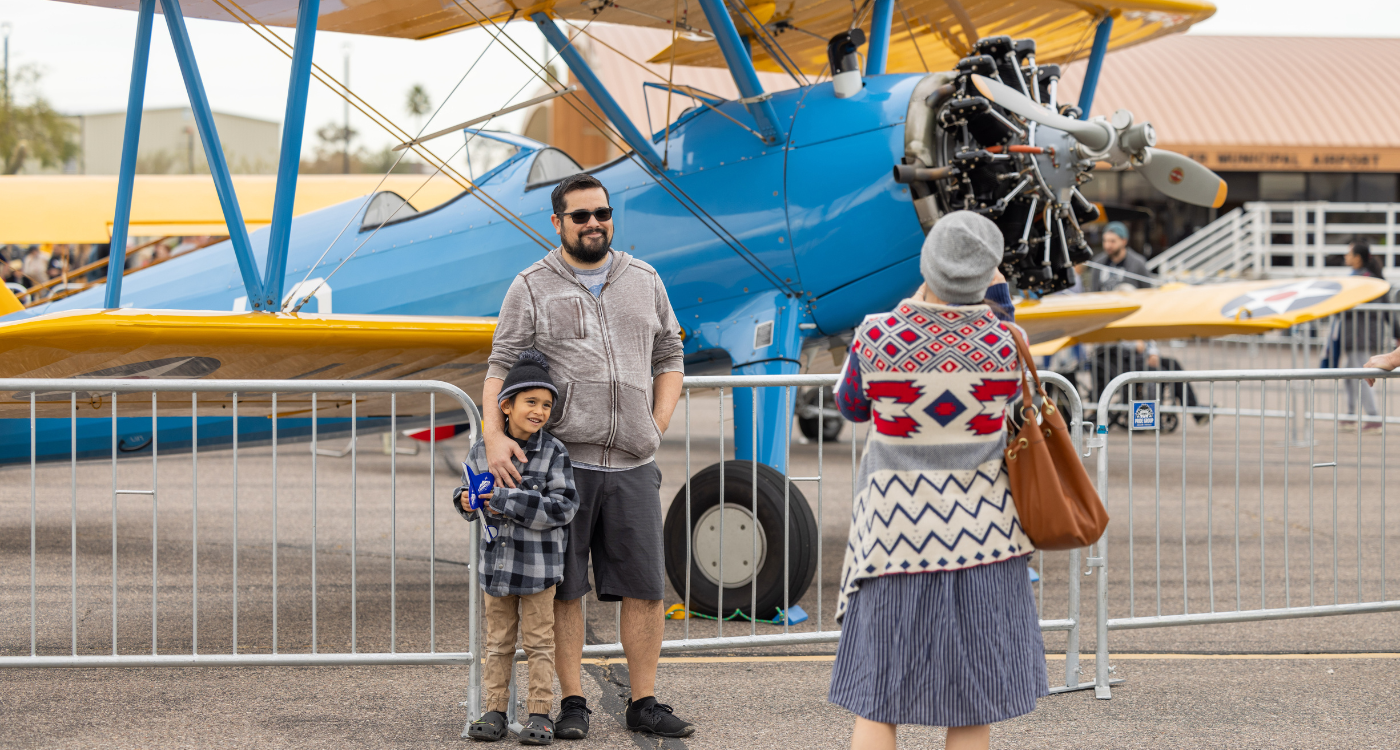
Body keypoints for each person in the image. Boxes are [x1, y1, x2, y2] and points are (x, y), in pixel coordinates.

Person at [484, 173, 691, 739]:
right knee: (565, 590)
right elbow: (501, 363)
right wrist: (494, 436)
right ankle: (573, 702)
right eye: (580, 216)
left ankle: (644, 701)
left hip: (634, 463)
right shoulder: (531, 285)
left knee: (646, 590)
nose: (594, 223)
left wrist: (657, 422)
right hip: (563, 467)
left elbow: (670, 353)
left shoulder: (644, 279)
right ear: (558, 223)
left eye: (603, 213)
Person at [830, 211, 1045, 750]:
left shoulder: (876, 335)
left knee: (879, 699)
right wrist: (997, 298)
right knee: (972, 704)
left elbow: (852, 406)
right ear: (989, 273)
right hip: (986, 539)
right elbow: (1011, 402)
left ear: (927, 263)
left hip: (892, 539)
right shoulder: (1008, 342)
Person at [461, 350, 579, 745]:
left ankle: (540, 713)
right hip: (496, 568)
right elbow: (467, 493)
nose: (540, 411)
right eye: (531, 402)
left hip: (538, 570)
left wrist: (506, 500)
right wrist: (465, 501)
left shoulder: (554, 452)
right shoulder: (482, 451)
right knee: (497, 643)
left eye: (546, 404)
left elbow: (563, 507)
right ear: (506, 405)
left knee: (540, 644)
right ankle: (495, 710)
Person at [1321, 239, 1393, 431]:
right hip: (1356, 335)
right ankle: (1351, 414)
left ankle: (1373, 418)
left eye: (1349, 253)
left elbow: (1384, 309)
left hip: (1361, 336)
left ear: (1358, 258)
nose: (1346, 256)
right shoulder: (1361, 278)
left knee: (1361, 375)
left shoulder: (1365, 281)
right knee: (1350, 375)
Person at [1086, 222, 1152, 292]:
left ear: (1124, 241)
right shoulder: (1098, 262)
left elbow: (1148, 291)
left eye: (1112, 241)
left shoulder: (1138, 263)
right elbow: (1094, 291)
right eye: (1105, 241)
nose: (1108, 245)